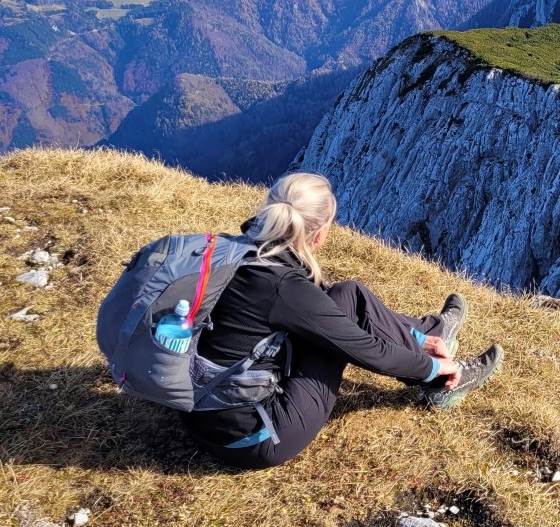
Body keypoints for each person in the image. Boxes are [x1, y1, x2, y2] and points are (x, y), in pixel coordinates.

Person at [183, 172, 502, 470]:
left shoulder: (232, 250)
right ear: (319, 234)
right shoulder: (283, 286)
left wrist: (416, 343)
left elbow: (323, 301)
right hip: (251, 437)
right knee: (341, 331)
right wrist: (436, 367)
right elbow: (366, 350)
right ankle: (445, 383)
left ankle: (429, 334)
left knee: (347, 293)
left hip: (198, 412)